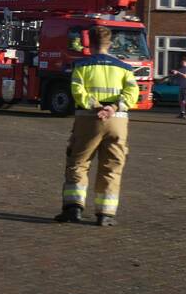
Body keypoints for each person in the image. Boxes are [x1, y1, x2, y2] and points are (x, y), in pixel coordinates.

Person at [55, 25, 140, 227]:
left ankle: (73, 209)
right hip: (117, 121)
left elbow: (78, 92)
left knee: (79, 163)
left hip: (88, 119)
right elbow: (132, 93)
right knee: (112, 167)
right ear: (110, 44)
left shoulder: (81, 66)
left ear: (89, 43)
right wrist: (112, 107)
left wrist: (97, 106)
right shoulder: (124, 68)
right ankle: (105, 215)